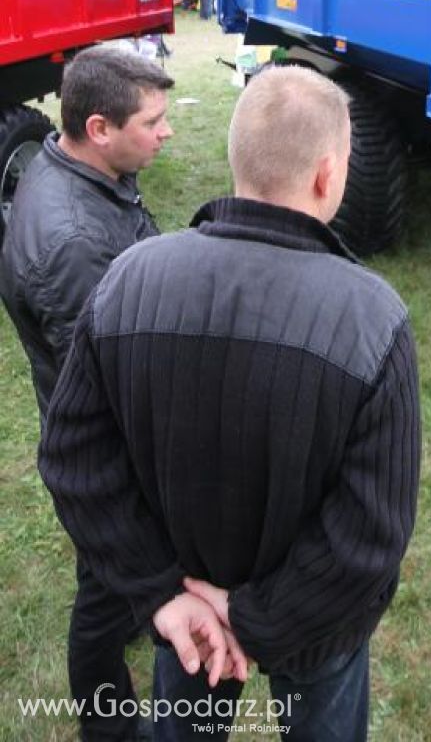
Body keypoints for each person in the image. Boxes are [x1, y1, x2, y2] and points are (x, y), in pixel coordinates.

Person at [39, 65, 421, 741]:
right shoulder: (373, 320)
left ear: (236, 157)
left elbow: (72, 458)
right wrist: (254, 619)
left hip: (185, 612)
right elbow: (371, 534)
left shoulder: (130, 280)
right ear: (329, 176)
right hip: (312, 631)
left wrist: (162, 592)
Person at [0, 46, 176, 741]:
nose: (166, 133)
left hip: (109, 438)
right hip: (108, 460)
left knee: (114, 579)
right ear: (99, 127)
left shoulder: (87, 168)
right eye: (153, 122)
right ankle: (110, 727)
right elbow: (110, 392)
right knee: (103, 599)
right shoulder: (71, 244)